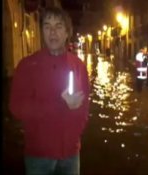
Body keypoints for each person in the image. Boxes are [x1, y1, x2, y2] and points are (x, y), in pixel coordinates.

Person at [9, 7, 90, 175]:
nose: (52, 32)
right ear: (42, 31)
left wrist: (74, 135)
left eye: (58, 26)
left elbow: (84, 108)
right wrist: (59, 105)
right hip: (39, 155)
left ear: (67, 32)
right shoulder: (26, 66)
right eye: (47, 26)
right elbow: (16, 107)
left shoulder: (79, 66)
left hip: (70, 154)